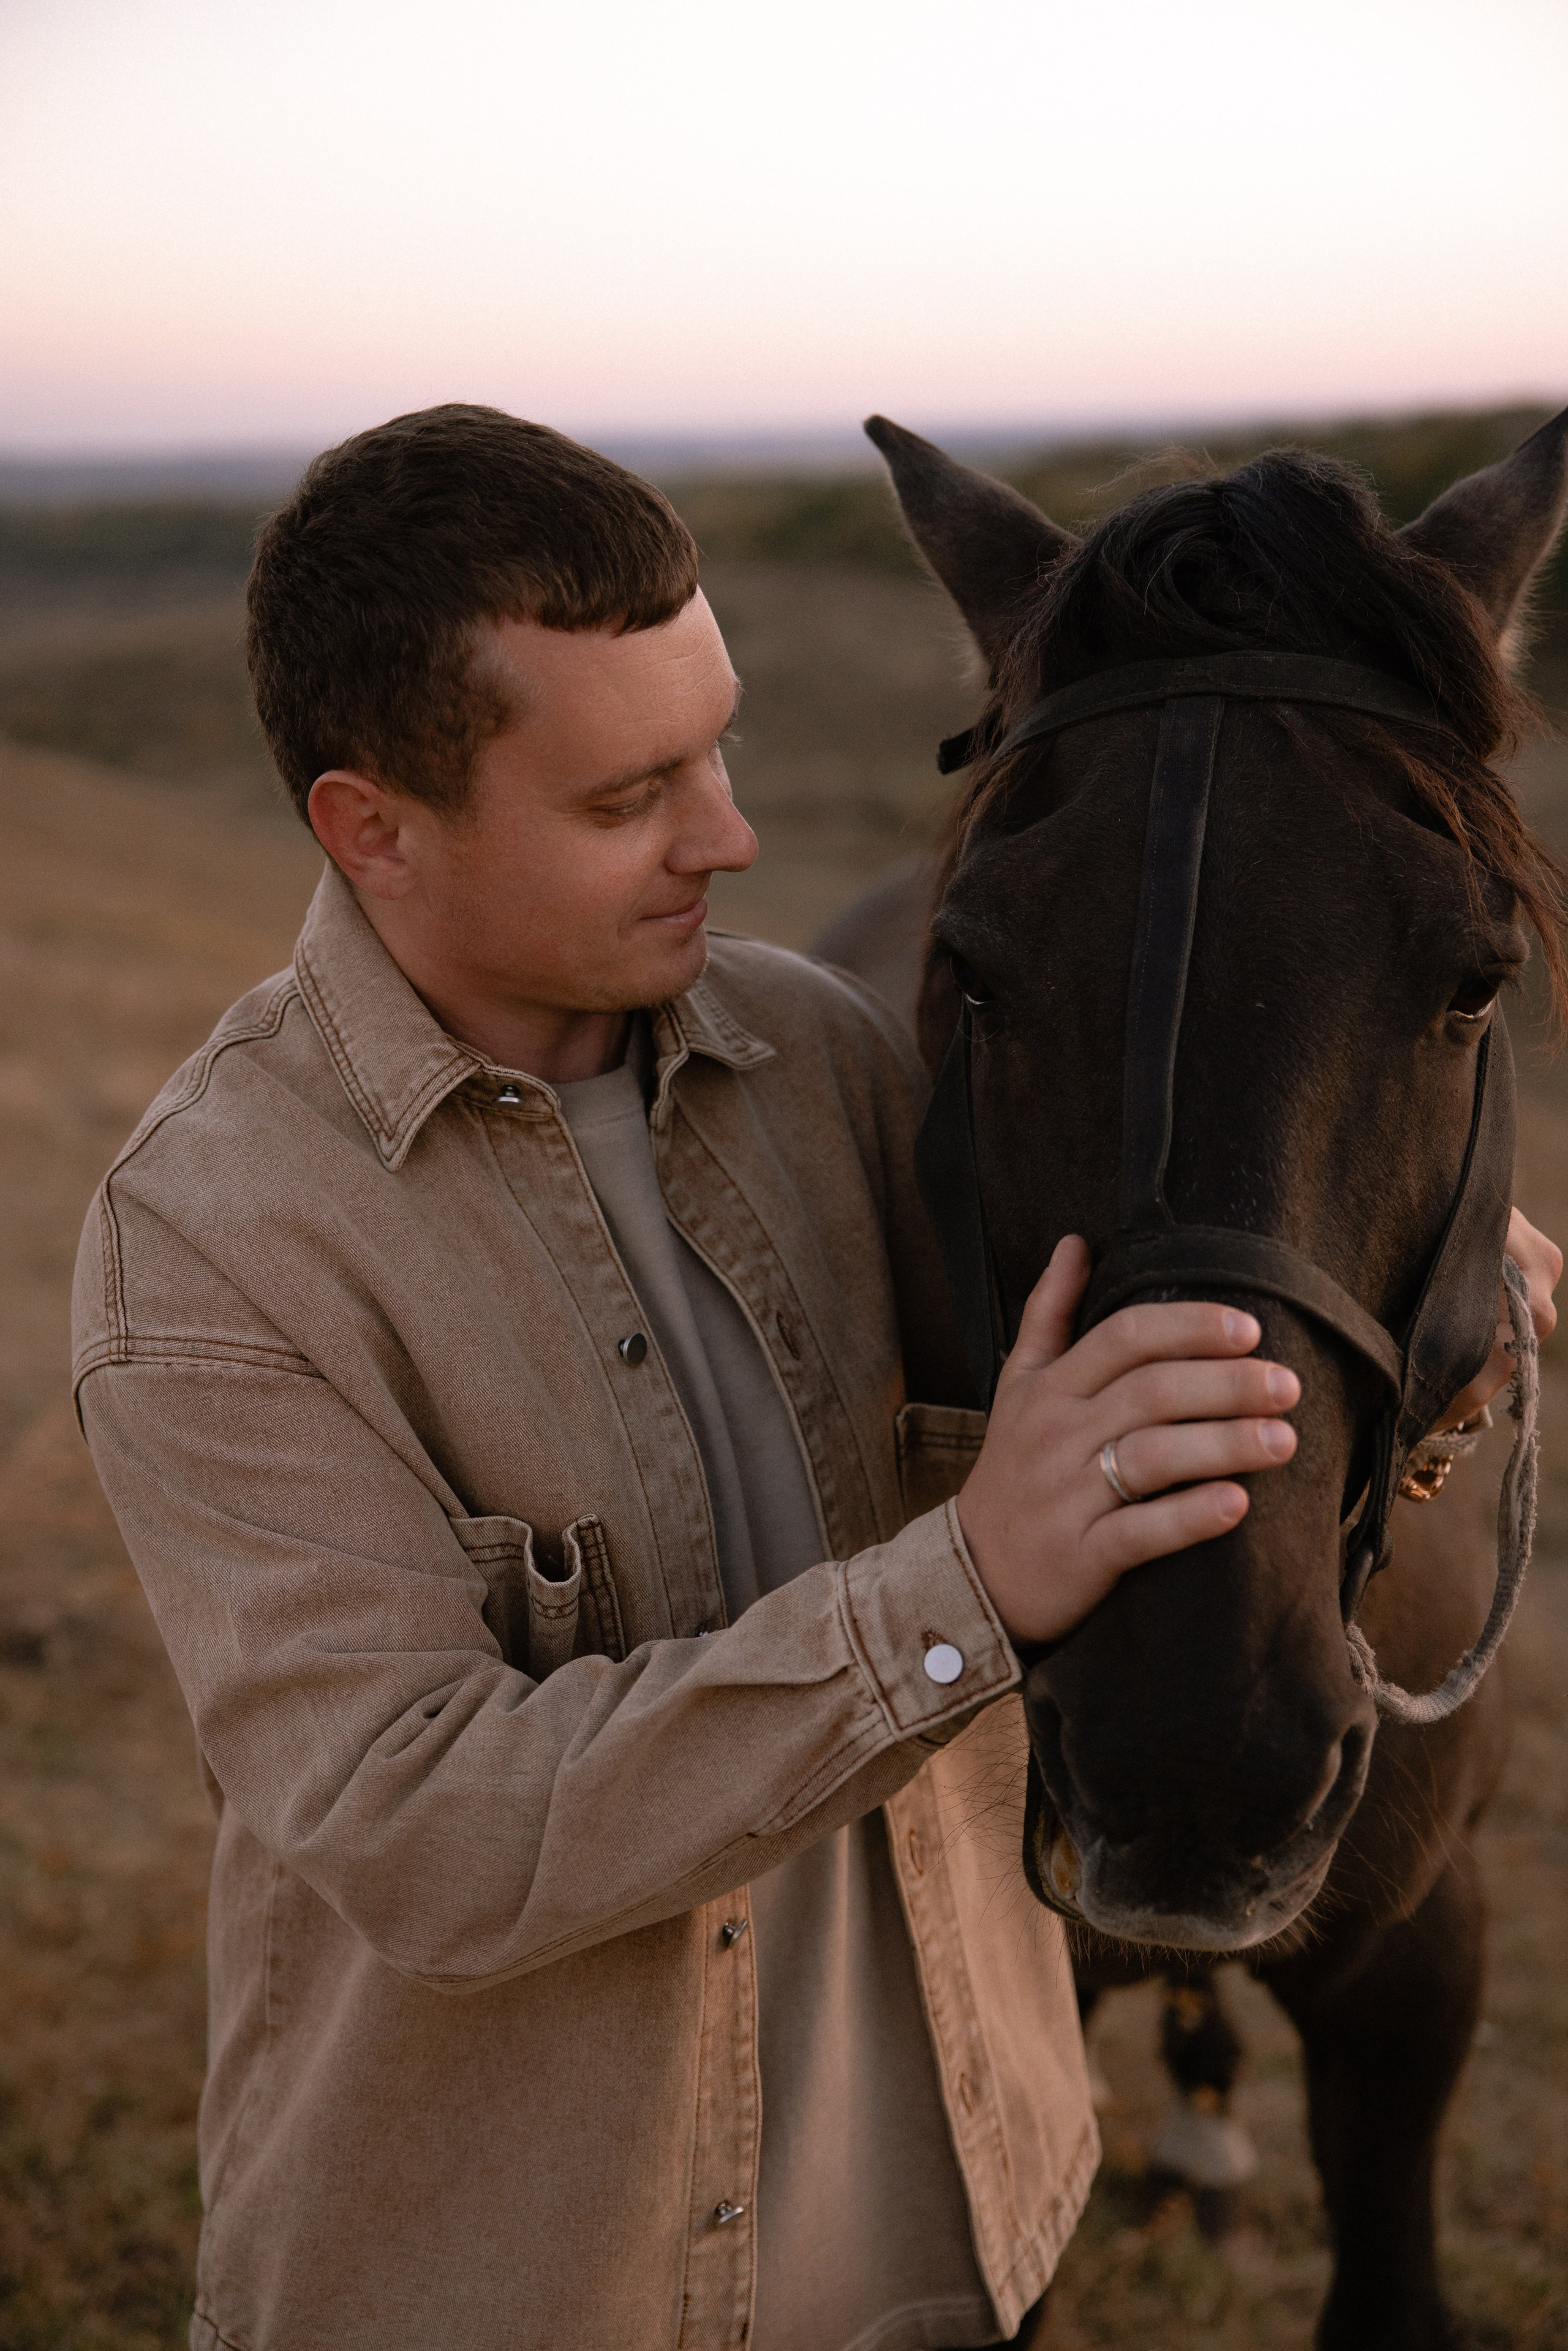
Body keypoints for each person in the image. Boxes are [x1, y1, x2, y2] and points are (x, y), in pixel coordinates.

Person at [70, 405, 1556, 2351]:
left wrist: (1408, 1283)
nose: (735, 839)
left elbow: (1168, 1267)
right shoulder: (208, 1249)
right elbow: (420, 1830)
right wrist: (962, 1597)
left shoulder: (828, 1067)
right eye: (630, 799)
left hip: (957, 2252)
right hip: (526, 2294)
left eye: (721, 750)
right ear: (374, 828)